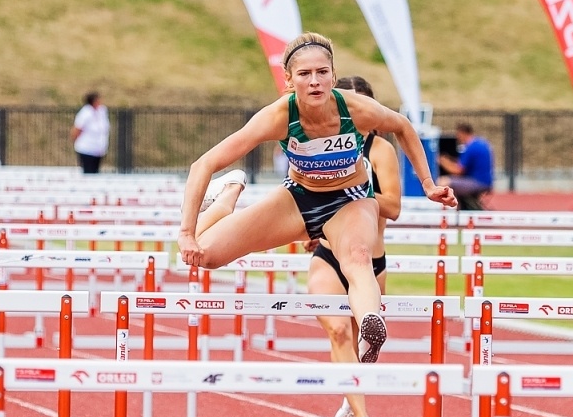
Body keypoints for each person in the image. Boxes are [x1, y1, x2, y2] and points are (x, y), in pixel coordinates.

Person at [179, 32, 455, 365]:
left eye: (322, 72)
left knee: (358, 256)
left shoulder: (355, 109)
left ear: (333, 76)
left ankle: (371, 326)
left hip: (349, 199)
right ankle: (229, 193)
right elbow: (203, 164)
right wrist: (186, 233)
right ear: (289, 80)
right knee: (205, 256)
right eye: (305, 74)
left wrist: (427, 183)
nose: (315, 82)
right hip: (297, 200)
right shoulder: (280, 116)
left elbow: (403, 127)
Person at [308, 76, 401, 417]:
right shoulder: (315, 146)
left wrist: (351, 187)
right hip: (330, 255)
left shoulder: (380, 151)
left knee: (365, 344)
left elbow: (393, 206)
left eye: (359, 106)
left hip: (370, 261)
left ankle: (350, 399)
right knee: (339, 333)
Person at [438, 123, 493, 209]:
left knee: (443, 181)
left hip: (478, 183)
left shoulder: (471, 147)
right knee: (453, 181)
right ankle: (463, 207)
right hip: (485, 182)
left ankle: (447, 211)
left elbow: (458, 170)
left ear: (463, 133)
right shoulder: (480, 143)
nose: (458, 138)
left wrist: (442, 161)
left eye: (458, 135)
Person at [71, 92, 109, 173]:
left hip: (98, 149)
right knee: (88, 172)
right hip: (86, 148)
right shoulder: (85, 113)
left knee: (95, 171)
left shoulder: (102, 111)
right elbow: (77, 129)